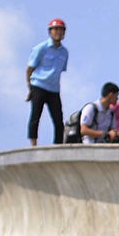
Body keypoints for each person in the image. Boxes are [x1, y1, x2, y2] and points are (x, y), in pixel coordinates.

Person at [26, 18, 69, 146]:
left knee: (58, 120)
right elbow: (30, 69)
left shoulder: (64, 52)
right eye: (55, 30)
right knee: (35, 116)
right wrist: (30, 87)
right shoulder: (41, 48)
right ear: (50, 31)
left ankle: (58, 145)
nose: (58, 33)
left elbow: (60, 71)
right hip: (39, 85)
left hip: (54, 89)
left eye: (61, 30)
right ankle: (33, 145)